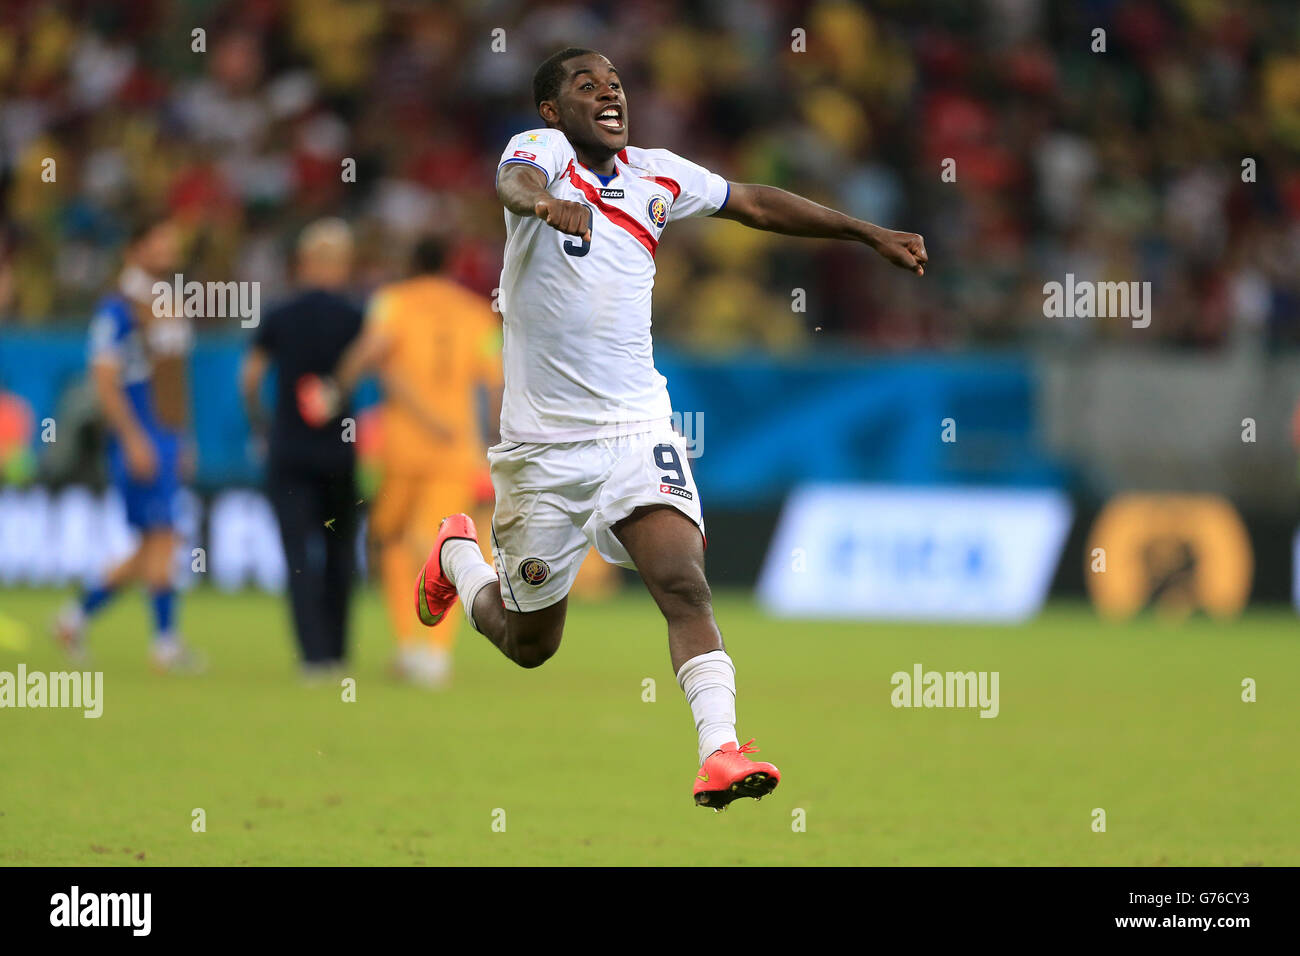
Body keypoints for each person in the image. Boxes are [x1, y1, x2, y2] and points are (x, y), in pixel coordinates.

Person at [417, 48, 928, 810]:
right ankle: (459, 554)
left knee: (684, 582)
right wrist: (539, 206)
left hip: (635, 425)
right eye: (586, 85)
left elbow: (753, 201)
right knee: (530, 646)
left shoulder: (659, 173)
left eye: (615, 82)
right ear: (554, 110)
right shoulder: (543, 153)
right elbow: (511, 182)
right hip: (543, 447)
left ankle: (719, 750)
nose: (608, 92)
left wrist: (865, 232)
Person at [327, 236, 503, 688]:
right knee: (447, 547)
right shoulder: (475, 312)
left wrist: (335, 386)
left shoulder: (392, 302)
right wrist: (497, 441)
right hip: (454, 452)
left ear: (410, 263)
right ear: (449, 264)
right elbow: (496, 384)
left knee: (391, 541)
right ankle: (436, 653)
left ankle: (408, 643)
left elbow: (371, 352)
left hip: (401, 449)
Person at [55, 216, 204, 673]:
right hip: (140, 436)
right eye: (159, 241)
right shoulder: (117, 309)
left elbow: (174, 378)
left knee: (150, 547)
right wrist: (133, 437)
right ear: (134, 249)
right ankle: (165, 644)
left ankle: (74, 618)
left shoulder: (169, 304)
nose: (169, 250)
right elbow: (104, 379)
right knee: (165, 538)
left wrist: (183, 435)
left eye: (172, 242)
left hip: (165, 435)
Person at [239, 219, 363, 678]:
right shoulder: (356, 316)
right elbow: (369, 363)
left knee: (297, 556)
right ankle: (337, 650)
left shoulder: (279, 314)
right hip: (338, 455)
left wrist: (263, 426)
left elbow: (249, 379)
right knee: (339, 554)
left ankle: (311, 658)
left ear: (305, 262)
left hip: (289, 453)